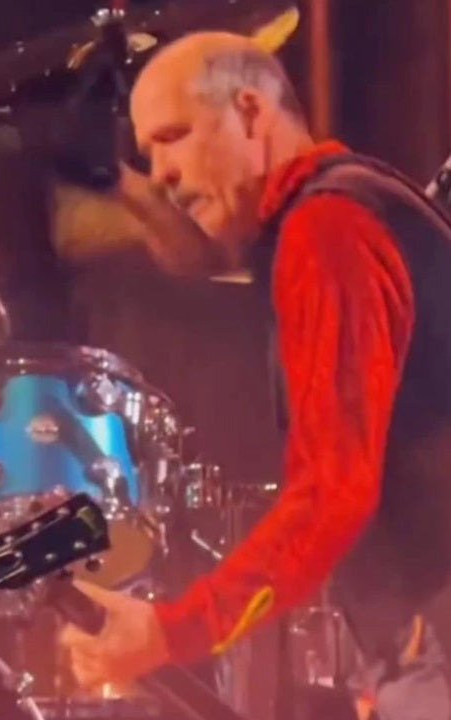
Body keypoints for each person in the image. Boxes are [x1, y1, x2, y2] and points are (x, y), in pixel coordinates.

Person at [60, 31, 451, 720]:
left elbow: (333, 491)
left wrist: (172, 631)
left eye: (174, 137)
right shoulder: (362, 204)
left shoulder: (326, 229)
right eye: (148, 155)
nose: (162, 174)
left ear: (249, 112)